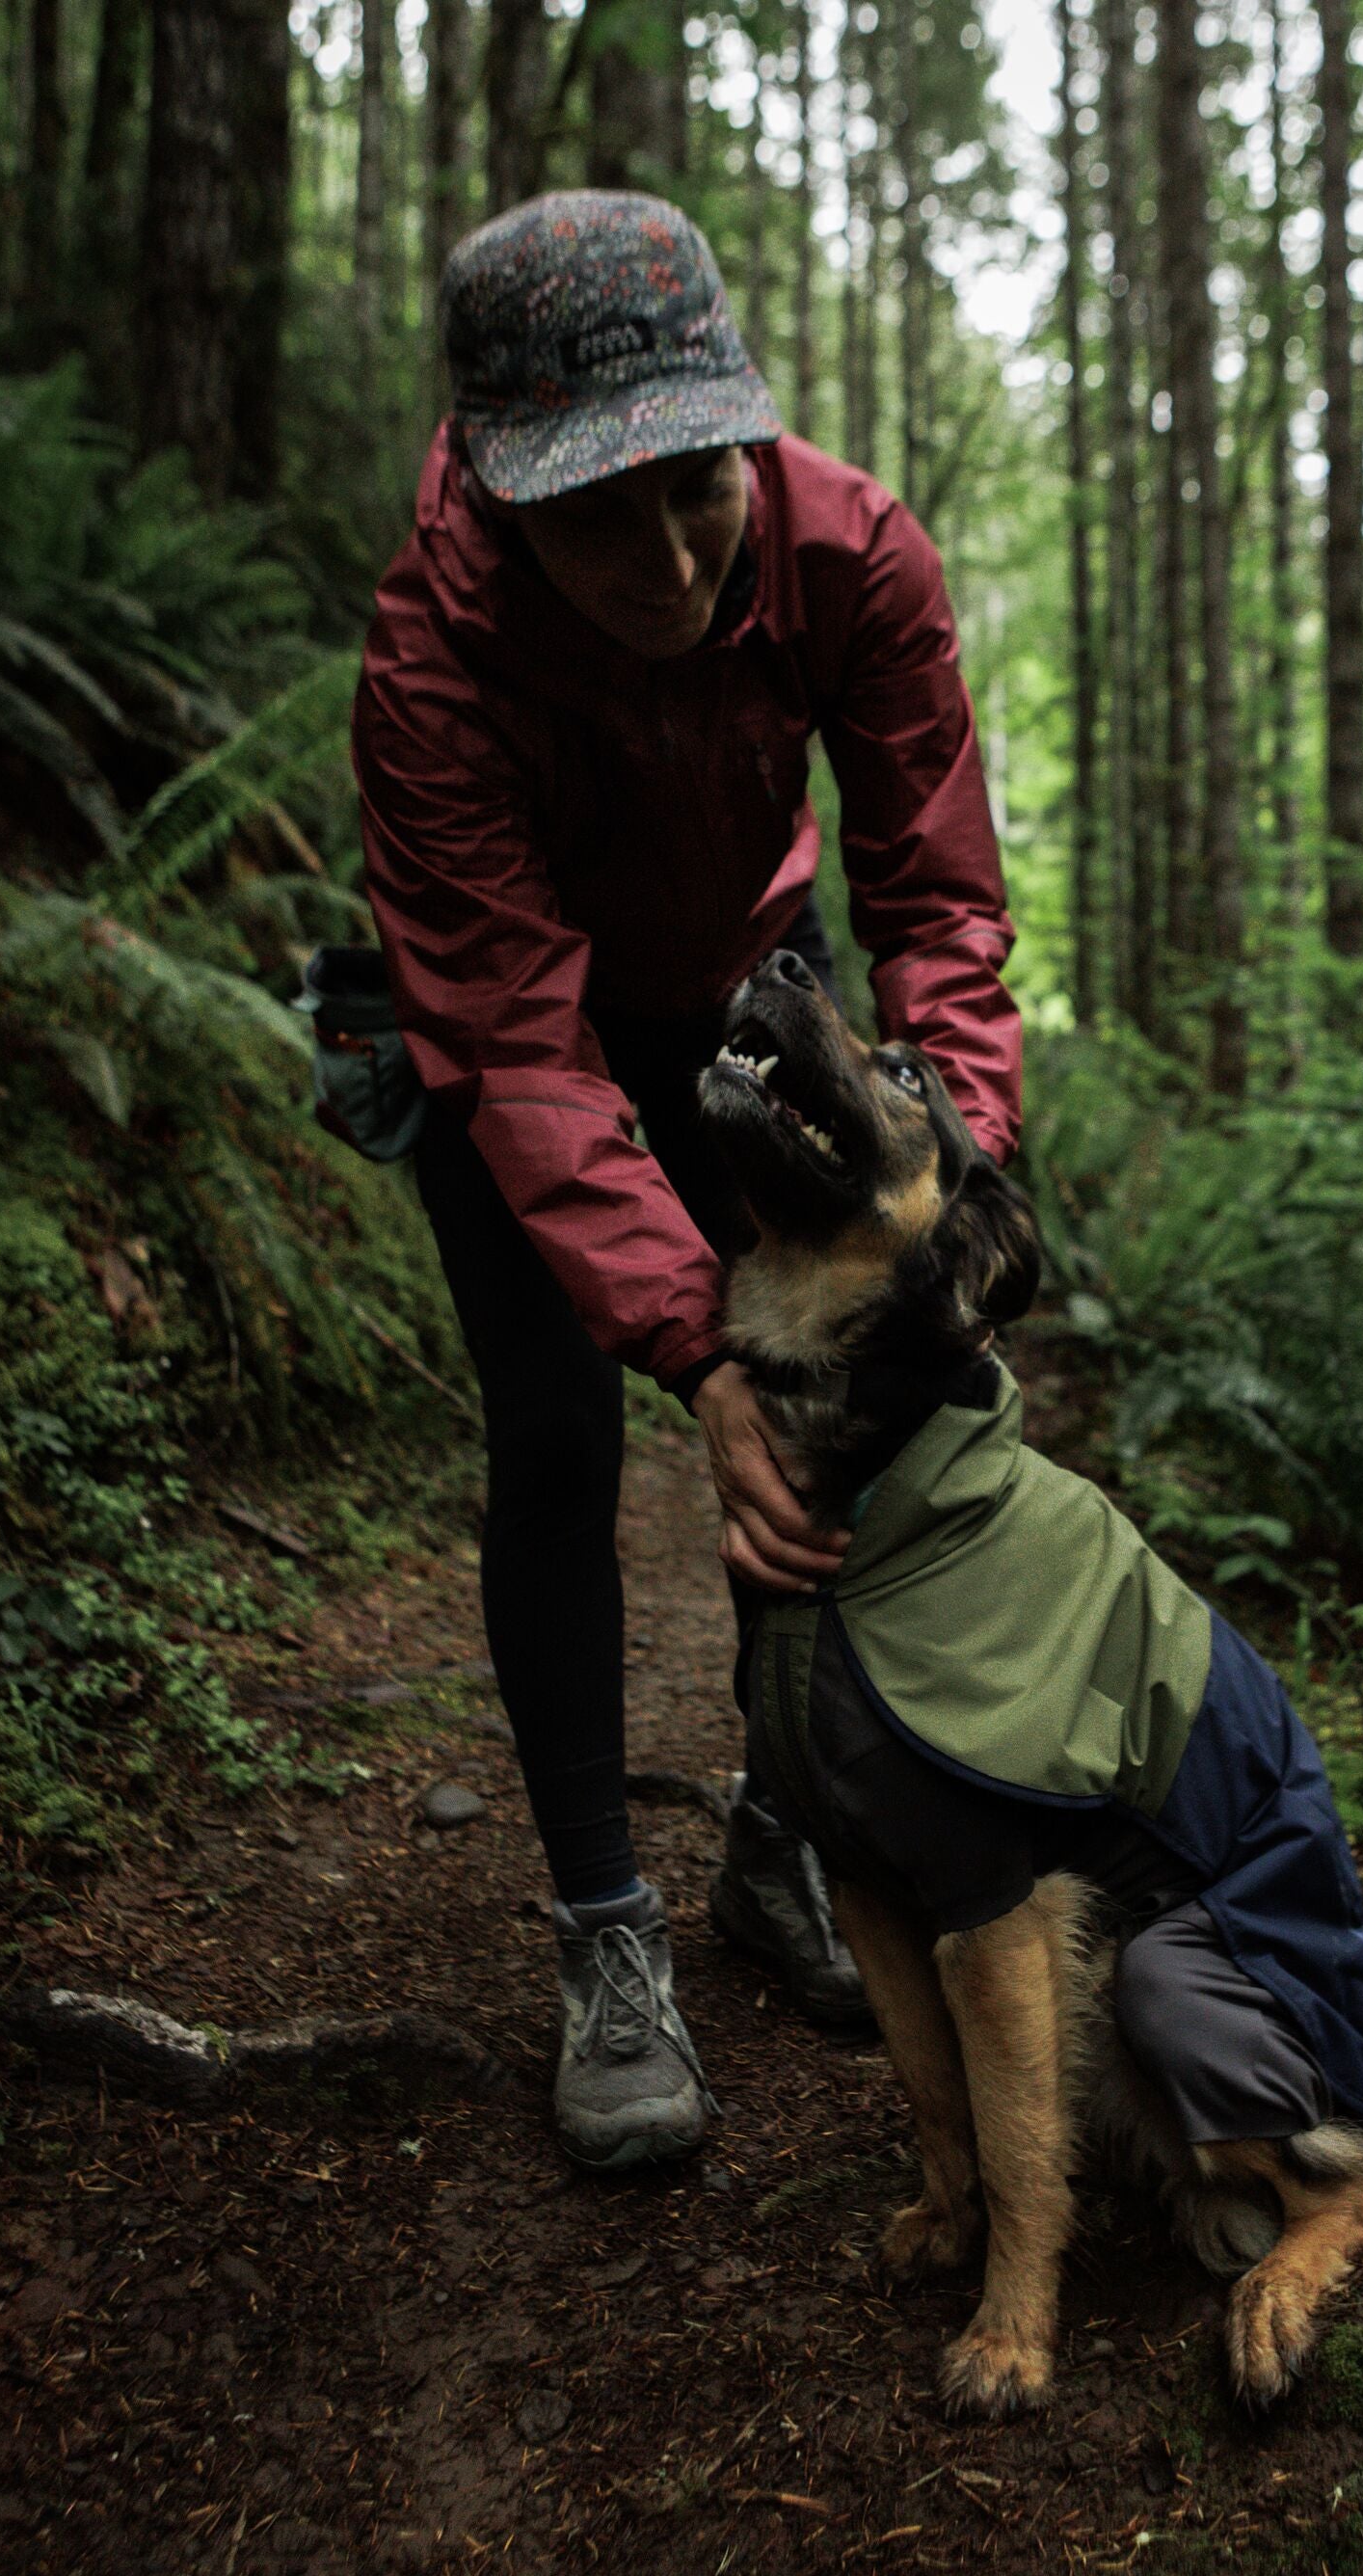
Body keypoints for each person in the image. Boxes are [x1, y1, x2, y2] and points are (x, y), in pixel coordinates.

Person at [353, 188, 1023, 2170]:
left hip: (750, 991)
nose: (662, 558)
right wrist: (691, 1348)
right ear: (495, 486)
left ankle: (772, 1840)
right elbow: (521, 1045)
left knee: (829, 1414)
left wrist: (948, 1153)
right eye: (594, 515)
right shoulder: (433, 659)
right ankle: (601, 1933)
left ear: (742, 431)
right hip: (512, 1036)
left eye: (694, 489)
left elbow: (935, 893)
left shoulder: (850, 551)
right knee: (560, 1434)